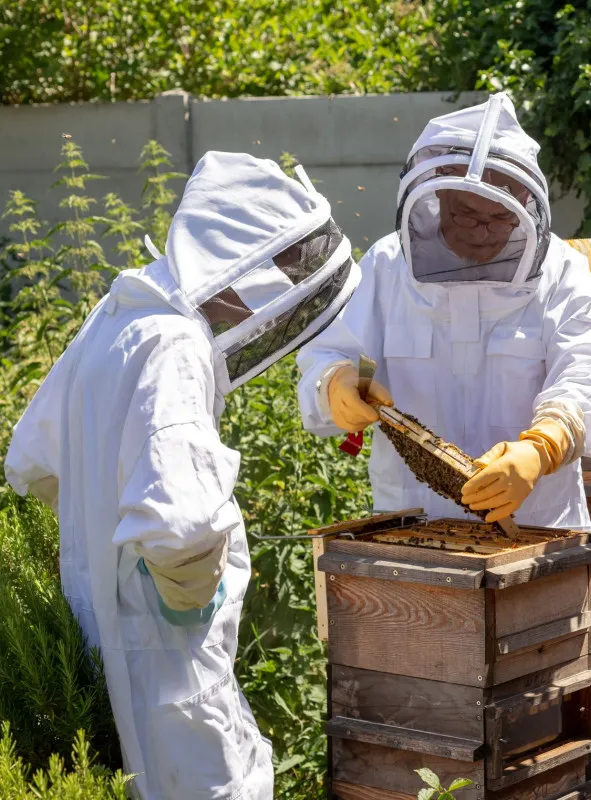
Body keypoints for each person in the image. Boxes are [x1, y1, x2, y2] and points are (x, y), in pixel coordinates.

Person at [4, 151, 359, 799]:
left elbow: (32, 458)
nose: (277, 297)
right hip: (167, 659)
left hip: (106, 623)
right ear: (236, 257)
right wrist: (193, 592)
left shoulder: (120, 312)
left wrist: (100, 509)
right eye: (278, 269)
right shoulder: (175, 344)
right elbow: (184, 526)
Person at [295, 92, 591, 798]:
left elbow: (587, 370)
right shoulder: (384, 269)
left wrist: (540, 446)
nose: (477, 228)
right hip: (415, 560)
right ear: (429, 205)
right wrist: (338, 388)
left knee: (552, 747)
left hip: (542, 543)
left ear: (526, 214)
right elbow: (323, 363)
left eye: (496, 216)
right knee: (418, 741)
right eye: (462, 212)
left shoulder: (557, 270)